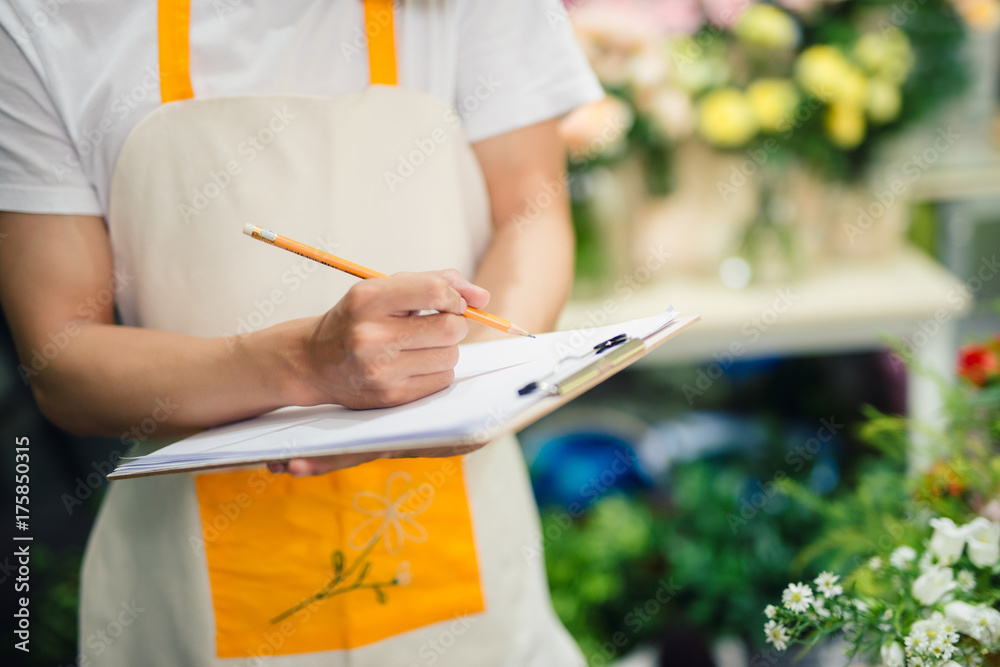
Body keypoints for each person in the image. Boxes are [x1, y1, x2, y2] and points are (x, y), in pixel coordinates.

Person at [0, 0, 603, 665]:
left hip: (465, 532)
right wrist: (303, 365)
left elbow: (532, 212)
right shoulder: (42, 22)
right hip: (194, 575)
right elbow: (60, 358)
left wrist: (454, 397)